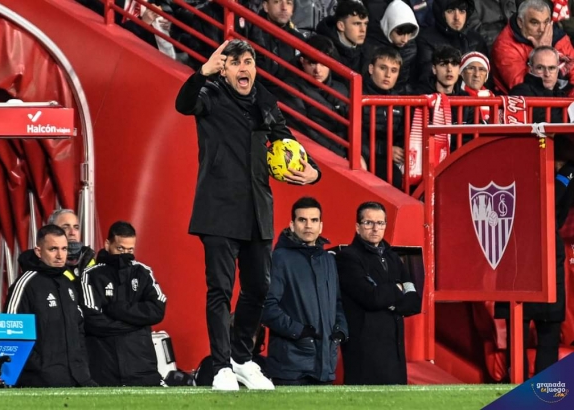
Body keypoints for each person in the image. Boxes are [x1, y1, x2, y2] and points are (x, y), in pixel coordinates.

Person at [175, 39, 321, 391]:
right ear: (224, 69)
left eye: (249, 62)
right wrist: (201, 72)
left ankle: (242, 359)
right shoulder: (209, 94)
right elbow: (183, 105)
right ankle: (222, 365)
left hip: (258, 210)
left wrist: (314, 171)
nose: (245, 68)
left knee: (258, 288)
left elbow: (289, 141)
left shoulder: (264, 101)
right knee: (220, 291)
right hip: (219, 209)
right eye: (236, 62)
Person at [495, 136, 574, 380]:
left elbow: (555, 205)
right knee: (518, 323)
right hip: (520, 250)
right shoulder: (525, 172)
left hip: (544, 249)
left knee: (548, 327)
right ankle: (517, 384)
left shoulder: (567, 174)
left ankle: (543, 389)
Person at [262, 197, 348, 385]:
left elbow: (338, 303)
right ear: (292, 225)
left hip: (325, 365)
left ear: (321, 225)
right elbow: (265, 307)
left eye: (314, 220)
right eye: (302, 220)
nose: (308, 225)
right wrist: (300, 332)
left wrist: (340, 331)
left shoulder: (328, 260)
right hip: (290, 368)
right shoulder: (278, 259)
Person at [336, 202, 421, 385]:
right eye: (368, 223)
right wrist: (397, 288)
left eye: (380, 223)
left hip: (394, 347)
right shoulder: (348, 257)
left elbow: (413, 301)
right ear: (358, 227)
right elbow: (371, 298)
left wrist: (388, 296)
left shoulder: (393, 257)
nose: (375, 228)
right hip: (364, 351)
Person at [5, 225, 96, 387]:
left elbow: (79, 328)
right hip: (41, 380)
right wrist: (40, 368)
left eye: (64, 248)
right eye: (53, 249)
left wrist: (82, 365)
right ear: (39, 251)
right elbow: (11, 333)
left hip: (78, 378)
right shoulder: (25, 284)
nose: (60, 255)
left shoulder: (68, 284)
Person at [80, 221, 167, 386]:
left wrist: (117, 310)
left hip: (142, 368)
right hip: (104, 370)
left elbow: (157, 310)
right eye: (120, 249)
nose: (125, 254)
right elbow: (92, 321)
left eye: (130, 250)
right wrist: (137, 325)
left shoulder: (143, 272)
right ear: (107, 244)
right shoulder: (91, 276)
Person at [280, 35, 350, 160]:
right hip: (315, 156)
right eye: (312, 63)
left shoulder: (342, 89)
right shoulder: (290, 87)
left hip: (343, 156)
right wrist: (340, 156)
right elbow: (304, 129)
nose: (317, 70)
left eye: (323, 64)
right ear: (302, 61)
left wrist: (357, 155)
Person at [491, 0, 574, 94]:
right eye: (535, 23)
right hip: (526, 105)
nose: (542, 29)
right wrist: (542, 53)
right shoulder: (504, 46)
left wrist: (569, 105)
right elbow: (523, 89)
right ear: (520, 22)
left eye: (546, 22)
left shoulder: (558, 36)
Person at [362, 47, 405, 188]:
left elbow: (401, 134)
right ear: (371, 69)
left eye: (394, 71)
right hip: (365, 155)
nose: (388, 75)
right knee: (392, 178)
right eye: (383, 68)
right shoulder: (357, 94)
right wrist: (386, 150)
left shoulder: (398, 100)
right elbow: (355, 137)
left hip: (389, 156)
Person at [415, 0, 489, 83]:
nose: (457, 17)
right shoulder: (425, 39)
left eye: (462, 11)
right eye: (450, 11)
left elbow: (486, 79)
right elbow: (427, 77)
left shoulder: (476, 39)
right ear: (441, 13)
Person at [248, 0, 307, 96]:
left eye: (289, 3)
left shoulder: (299, 39)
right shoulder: (252, 32)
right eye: (277, 2)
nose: (284, 8)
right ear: (266, 6)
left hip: (288, 95)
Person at [194, 313, 268, 386]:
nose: (244, 339)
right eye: (240, 334)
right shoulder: (210, 364)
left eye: (252, 334)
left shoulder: (262, 364)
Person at [364, 0, 420, 92]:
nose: (405, 40)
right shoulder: (370, 47)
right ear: (388, 25)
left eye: (409, 34)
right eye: (400, 33)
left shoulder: (410, 50)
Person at [510, 46, 573, 123]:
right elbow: (547, 123)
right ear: (530, 69)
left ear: (557, 70)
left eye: (552, 68)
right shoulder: (520, 92)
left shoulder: (563, 93)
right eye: (540, 68)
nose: (547, 74)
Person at [316, 0, 370, 75]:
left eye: (365, 24)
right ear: (341, 26)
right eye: (357, 24)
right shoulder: (323, 48)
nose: (363, 30)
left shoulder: (368, 52)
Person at [48, 209, 96, 279]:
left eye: (76, 227)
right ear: (51, 231)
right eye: (65, 227)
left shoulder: (92, 260)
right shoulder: (45, 265)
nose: (72, 232)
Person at [459, 51, 494, 124]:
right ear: (462, 73)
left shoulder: (492, 97)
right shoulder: (455, 94)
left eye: (482, 69)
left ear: (486, 77)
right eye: (471, 68)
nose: (477, 74)